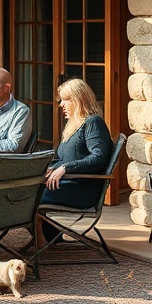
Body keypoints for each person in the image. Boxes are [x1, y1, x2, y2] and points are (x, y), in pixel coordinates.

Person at [40, 78, 115, 242]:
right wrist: (49, 168)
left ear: (79, 100)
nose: (61, 105)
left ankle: (44, 242)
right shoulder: (73, 126)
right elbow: (60, 157)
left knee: (28, 198)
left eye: (65, 100)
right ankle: (50, 238)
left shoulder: (93, 123)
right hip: (66, 184)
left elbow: (98, 158)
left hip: (81, 189)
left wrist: (65, 168)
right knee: (24, 194)